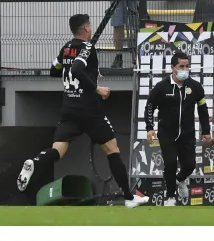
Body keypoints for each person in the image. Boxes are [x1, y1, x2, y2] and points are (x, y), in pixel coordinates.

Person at [16, 14, 149, 208]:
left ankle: (35, 162)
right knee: (112, 149)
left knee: (57, 151)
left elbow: (55, 70)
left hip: (68, 108)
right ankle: (129, 197)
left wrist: (89, 72)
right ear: (86, 28)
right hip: (88, 109)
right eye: (90, 25)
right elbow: (78, 69)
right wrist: (97, 88)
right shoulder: (87, 47)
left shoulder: (67, 48)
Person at [144, 51, 212, 206]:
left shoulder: (195, 87)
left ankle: (180, 180)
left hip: (187, 134)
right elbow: (149, 106)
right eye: (181, 66)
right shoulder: (162, 87)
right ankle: (170, 197)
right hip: (167, 132)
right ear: (172, 68)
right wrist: (149, 128)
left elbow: (203, 109)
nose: (184, 69)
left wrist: (206, 131)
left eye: (187, 66)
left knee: (190, 165)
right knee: (170, 163)